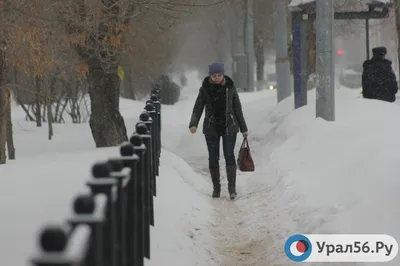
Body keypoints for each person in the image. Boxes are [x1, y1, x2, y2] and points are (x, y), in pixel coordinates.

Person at [189, 62, 248, 200]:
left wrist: (244, 128)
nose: (217, 78)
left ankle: (232, 189)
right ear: (210, 76)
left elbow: (237, 109)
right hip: (211, 127)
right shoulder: (205, 89)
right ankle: (216, 188)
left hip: (229, 126)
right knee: (213, 157)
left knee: (229, 155)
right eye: (214, 76)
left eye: (219, 75)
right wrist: (193, 123)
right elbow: (198, 107)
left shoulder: (230, 87)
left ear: (223, 74)